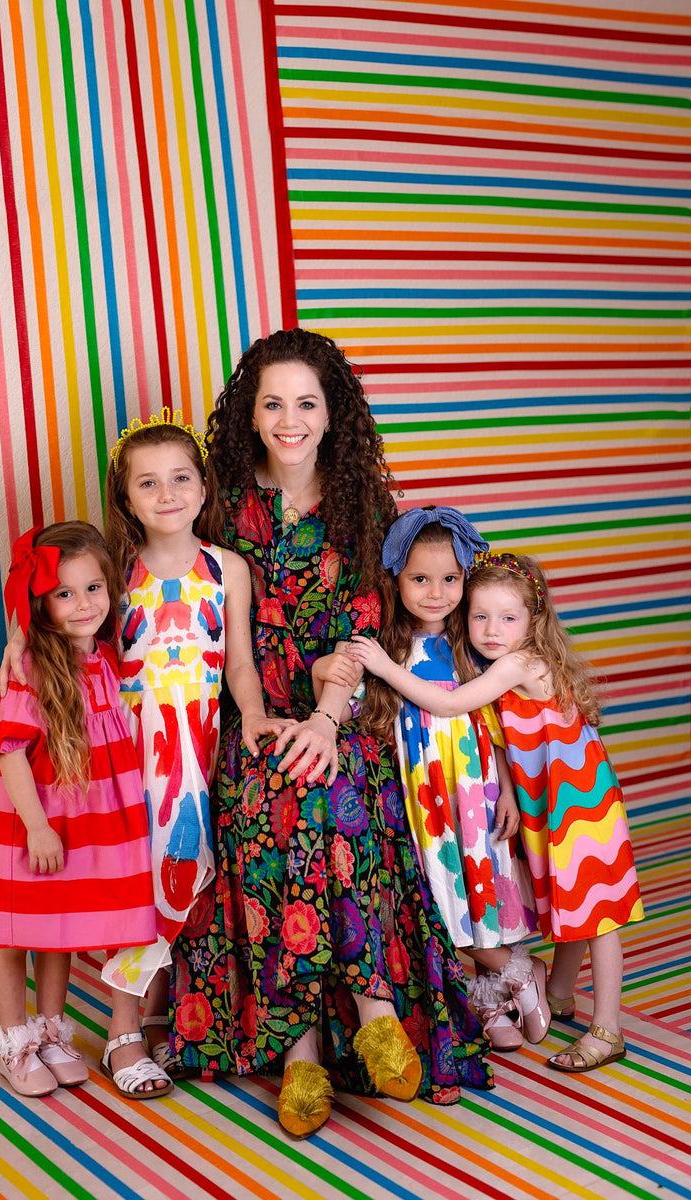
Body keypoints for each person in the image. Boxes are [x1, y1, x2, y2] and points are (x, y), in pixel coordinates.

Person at [170, 328, 493, 1138]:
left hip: (343, 705)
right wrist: (260, 718)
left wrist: (324, 719)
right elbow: (190, 599)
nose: (290, 420)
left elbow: (365, 629)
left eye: (306, 403)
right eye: (273, 404)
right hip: (251, 708)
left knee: (332, 786)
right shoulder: (218, 500)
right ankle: (306, 1052)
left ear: (332, 413)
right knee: (271, 792)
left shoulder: (364, 505)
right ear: (250, 414)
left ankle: (366, 1022)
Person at [352, 549, 644, 1072]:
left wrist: (383, 667)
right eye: (480, 616)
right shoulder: (504, 660)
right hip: (554, 805)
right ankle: (558, 993)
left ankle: (608, 1030)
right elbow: (504, 740)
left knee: (597, 917)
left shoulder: (518, 663)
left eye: (507, 618)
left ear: (534, 619)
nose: (491, 630)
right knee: (572, 906)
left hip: (578, 809)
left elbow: (448, 704)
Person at [97, 411, 289, 1097]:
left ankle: (167, 1016)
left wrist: (255, 713)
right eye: (148, 483)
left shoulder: (228, 569)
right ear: (126, 498)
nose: (167, 494)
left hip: (202, 747)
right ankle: (121, 1032)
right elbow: (75, 638)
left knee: (195, 879)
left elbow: (238, 663)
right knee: (141, 883)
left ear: (204, 488)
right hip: (136, 752)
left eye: (181, 478)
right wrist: (15, 646)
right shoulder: (114, 572)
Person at [349, 507, 544, 1053]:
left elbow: (495, 723)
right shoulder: (387, 647)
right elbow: (355, 708)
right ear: (396, 578)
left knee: (480, 888)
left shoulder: (472, 643)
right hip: (421, 793)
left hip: (475, 787)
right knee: (439, 893)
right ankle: (516, 973)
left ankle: (493, 997)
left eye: (450, 579)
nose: (436, 593)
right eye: (420, 578)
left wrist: (508, 788)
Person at [0, 522, 157, 1097]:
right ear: (40, 602)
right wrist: (37, 828)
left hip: (79, 819)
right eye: (64, 593)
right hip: (30, 819)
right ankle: (14, 1040)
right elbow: (8, 751)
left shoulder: (103, 656)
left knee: (59, 924)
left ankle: (51, 1031)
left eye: (94, 588)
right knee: (13, 932)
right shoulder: (29, 668)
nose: (84, 605)